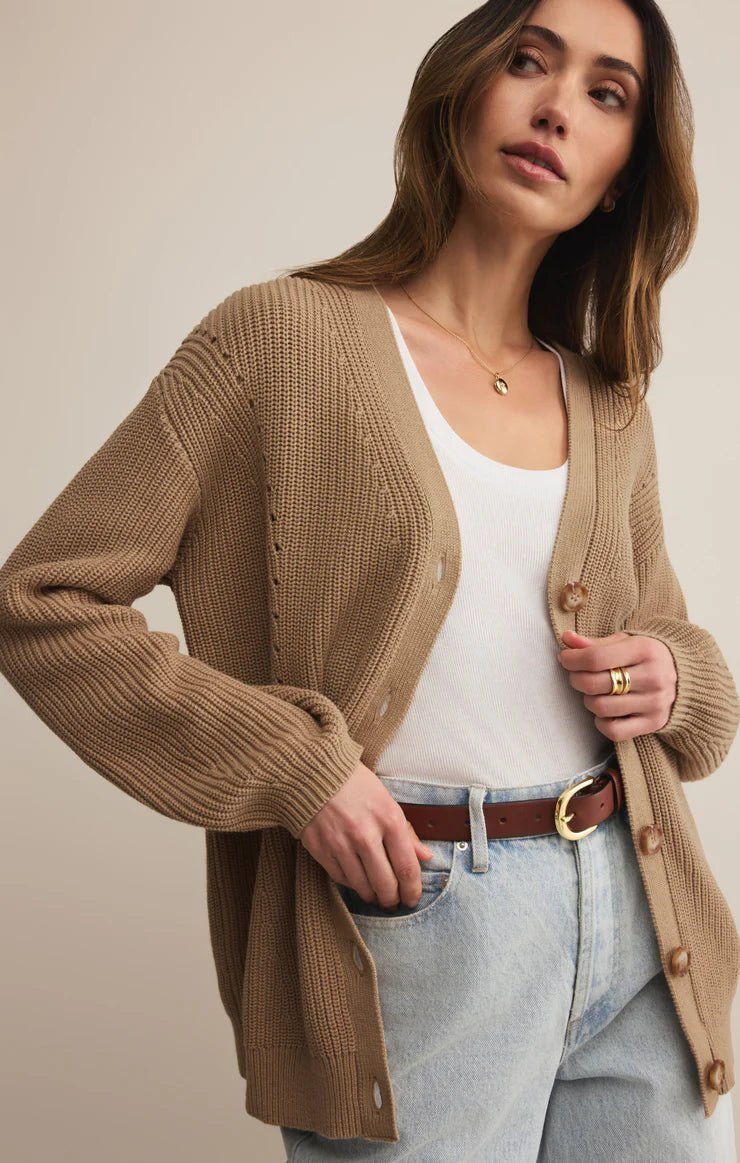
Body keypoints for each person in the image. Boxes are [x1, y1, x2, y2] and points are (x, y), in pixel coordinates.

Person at [0, 0, 737, 1159]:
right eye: (527, 61)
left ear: (618, 179)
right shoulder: (277, 340)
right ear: (462, 89)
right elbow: (42, 600)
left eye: (606, 95)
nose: (555, 107)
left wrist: (670, 676)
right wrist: (295, 766)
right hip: (424, 918)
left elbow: (690, 680)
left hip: (635, 912)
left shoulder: (605, 401)